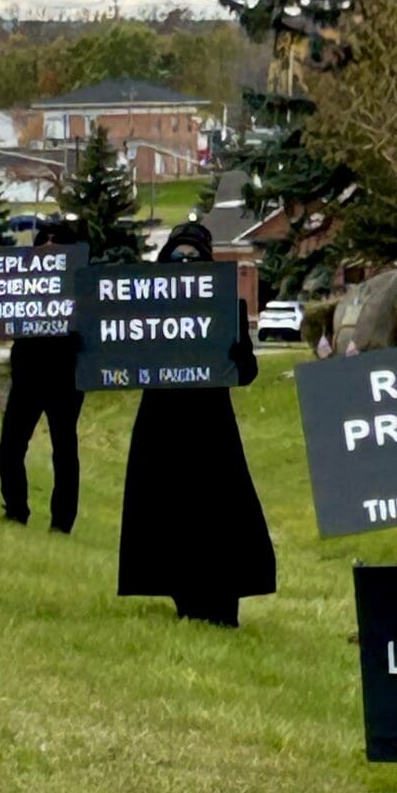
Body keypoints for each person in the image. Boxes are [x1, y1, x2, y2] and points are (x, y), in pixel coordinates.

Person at [117, 222, 276, 627]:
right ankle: (182, 597)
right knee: (166, 511)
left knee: (218, 513)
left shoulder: (228, 308)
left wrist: (240, 355)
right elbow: (118, 356)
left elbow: (246, 373)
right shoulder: (146, 309)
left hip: (210, 425)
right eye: (177, 256)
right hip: (161, 421)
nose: (185, 264)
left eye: (193, 258)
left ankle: (221, 602)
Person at [0, 221, 84, 531]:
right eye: (43, 241)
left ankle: (62, 521)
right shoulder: (22, 282)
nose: (48, 247)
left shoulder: (80, 285)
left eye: (56, 242)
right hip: (28, 373)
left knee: (64, 449)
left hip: (65, 375)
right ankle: (15, 509)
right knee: (10, 446)